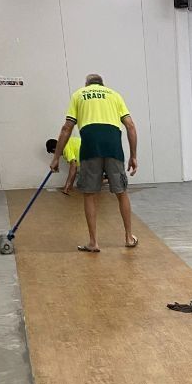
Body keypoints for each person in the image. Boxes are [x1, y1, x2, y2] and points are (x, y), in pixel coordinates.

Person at [49, 73, 139, 252]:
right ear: (102, 85)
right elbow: (130, 126)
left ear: (87, 84)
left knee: (90, 194)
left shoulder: (78, 94)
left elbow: (67, 128)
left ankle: (93, 242)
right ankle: (129, 237)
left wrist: (56, 157)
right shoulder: (114, 95)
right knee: (121, 192)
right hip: (113, 146)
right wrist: (133, 155)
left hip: (90, 146)